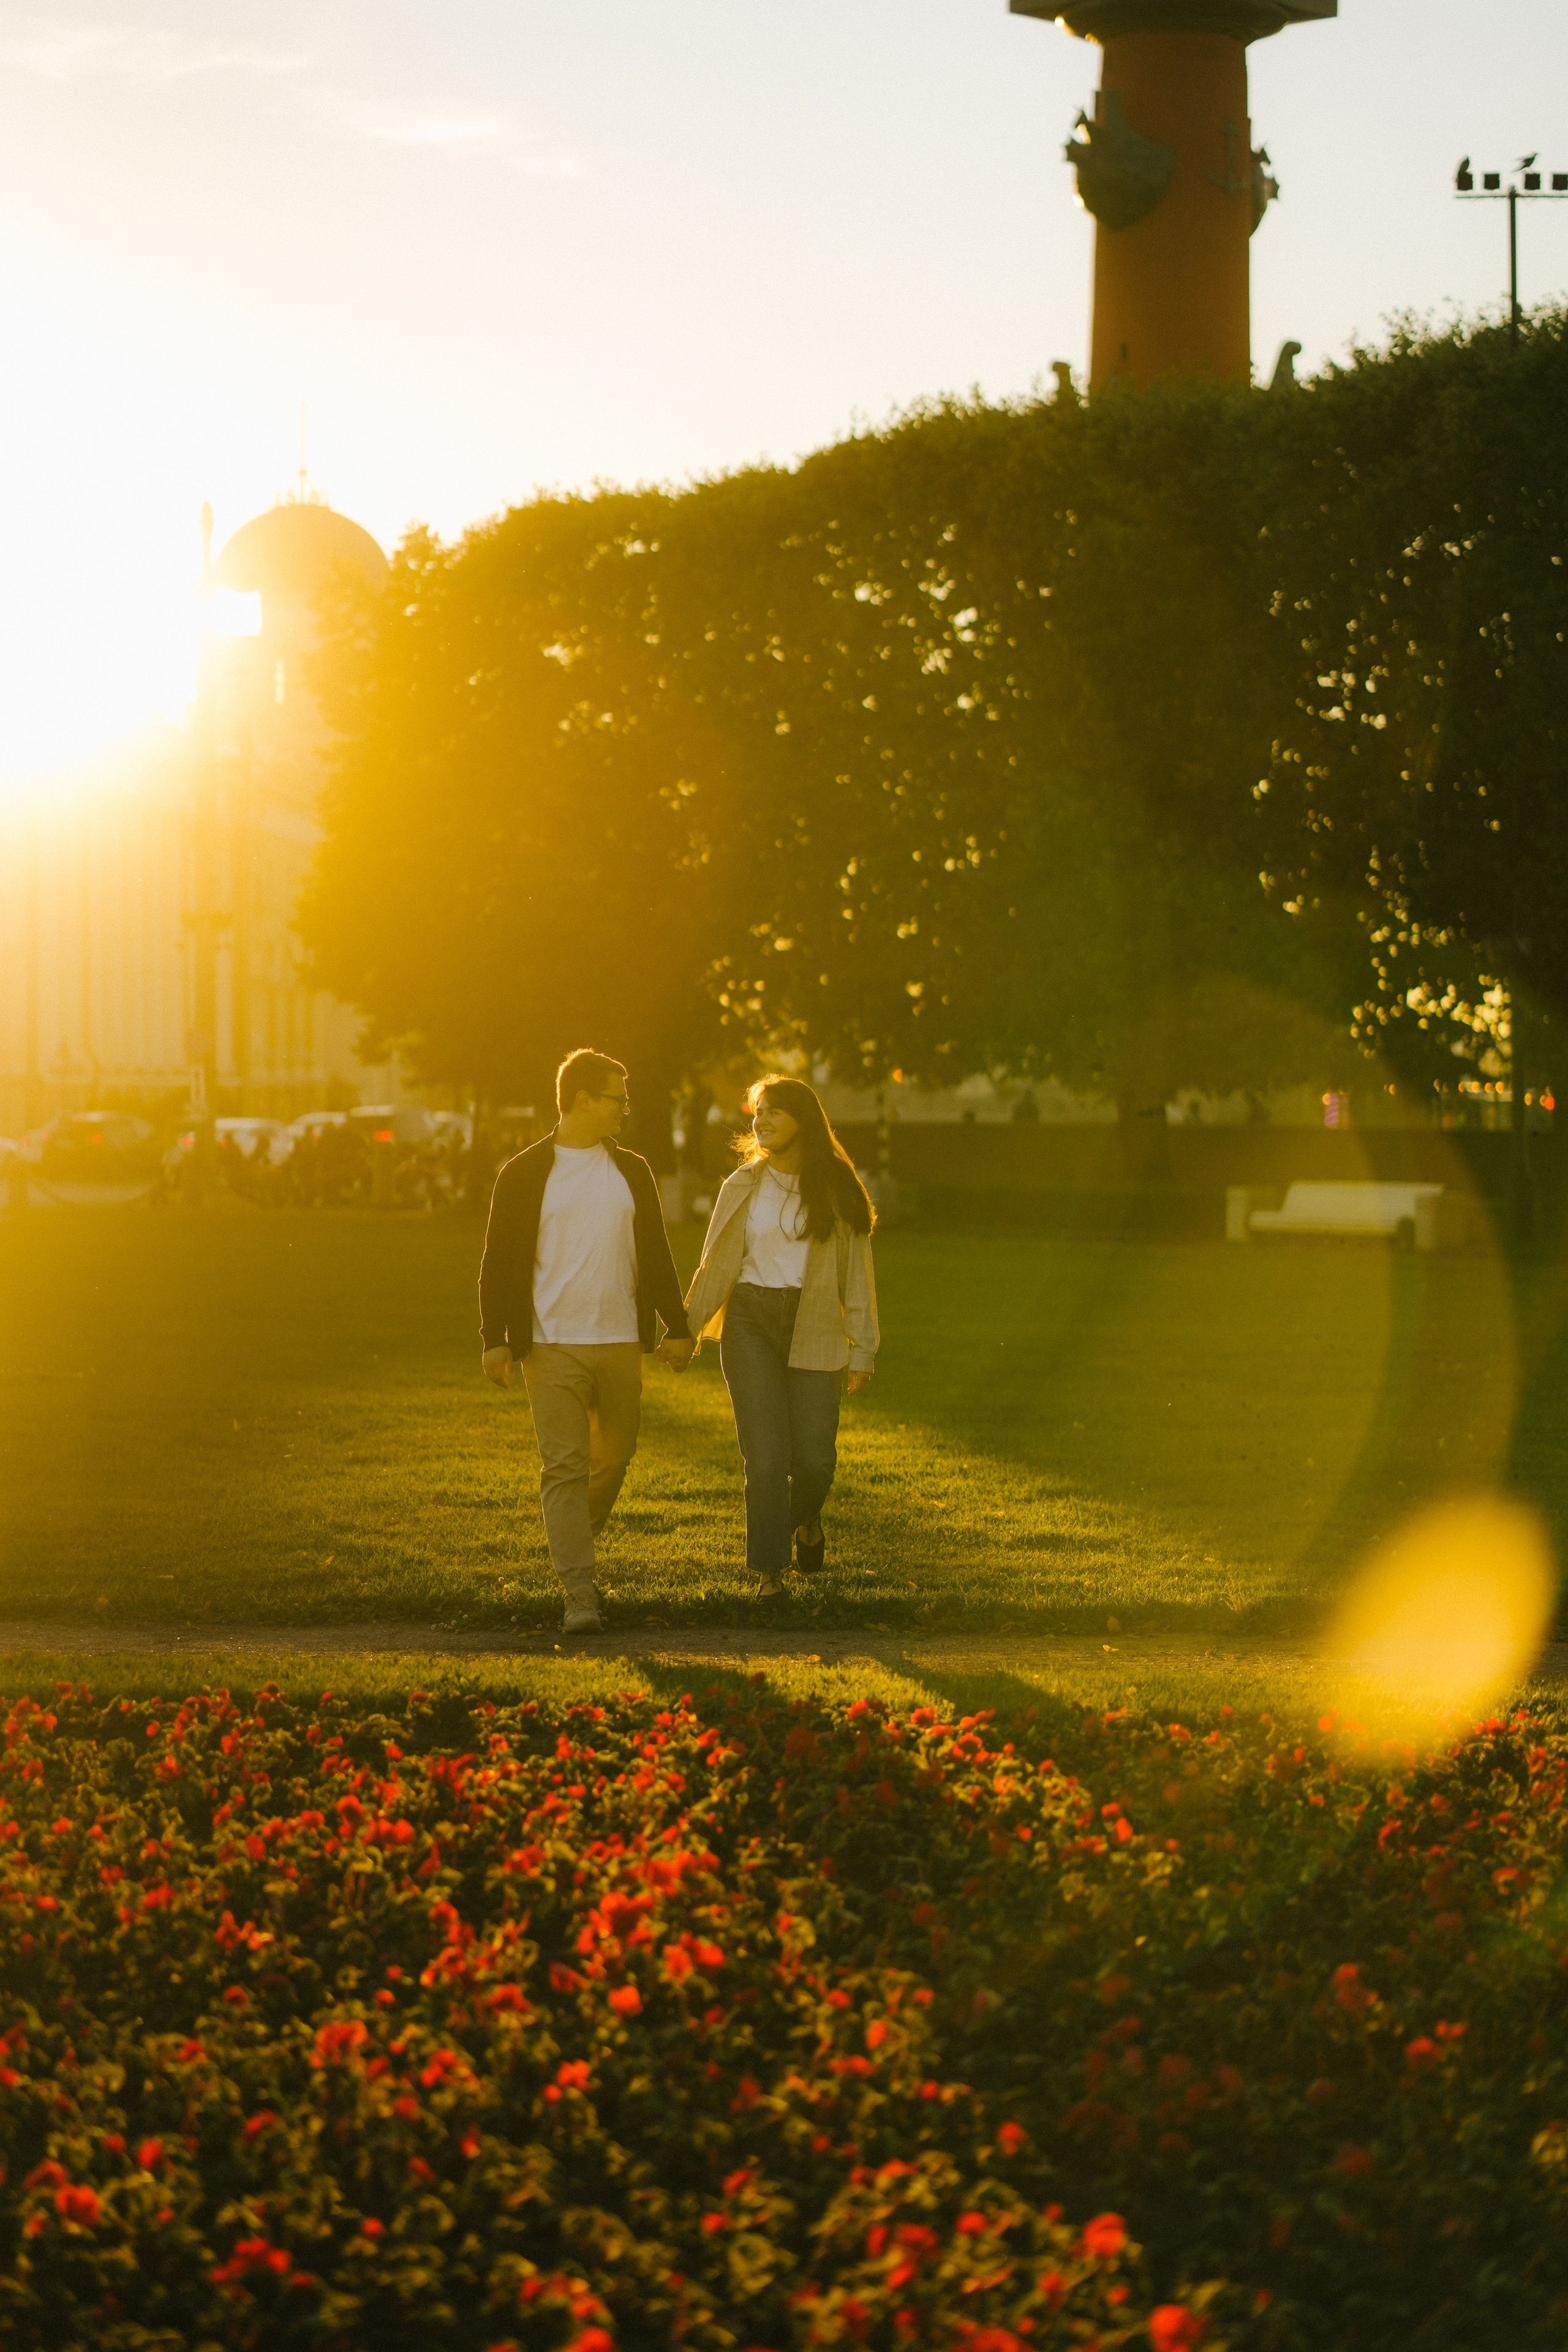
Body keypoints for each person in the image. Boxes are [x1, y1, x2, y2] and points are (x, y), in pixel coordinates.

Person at [478, 1048, 694, 1633]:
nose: (626, 1108)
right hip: (549, 1346)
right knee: (566, 1466)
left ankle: (572, 1536)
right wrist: (494, 1338)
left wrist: (676, 1326)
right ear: (581, 1101)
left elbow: (655, 1253)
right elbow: (498, 1262)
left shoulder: (633, 1171)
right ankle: (579, 1593)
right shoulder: (523, 1173)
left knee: (615, 1458)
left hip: (621, 1339)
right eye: (616, 1098)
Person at [684, 1076, 878, 1598]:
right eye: (757, 1112)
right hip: (749, 1322)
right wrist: (686, 1331)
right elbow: (715, 1264)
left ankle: (807, 1520)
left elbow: (856, 1275)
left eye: (773, 1112)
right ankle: (771, 1573)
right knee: (766, 1457)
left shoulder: (836, 1189)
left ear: (803, 1120)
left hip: (813, 1322)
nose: (760, 1120)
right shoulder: (742, 1185)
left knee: (814, 1460)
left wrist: (863, 1349)